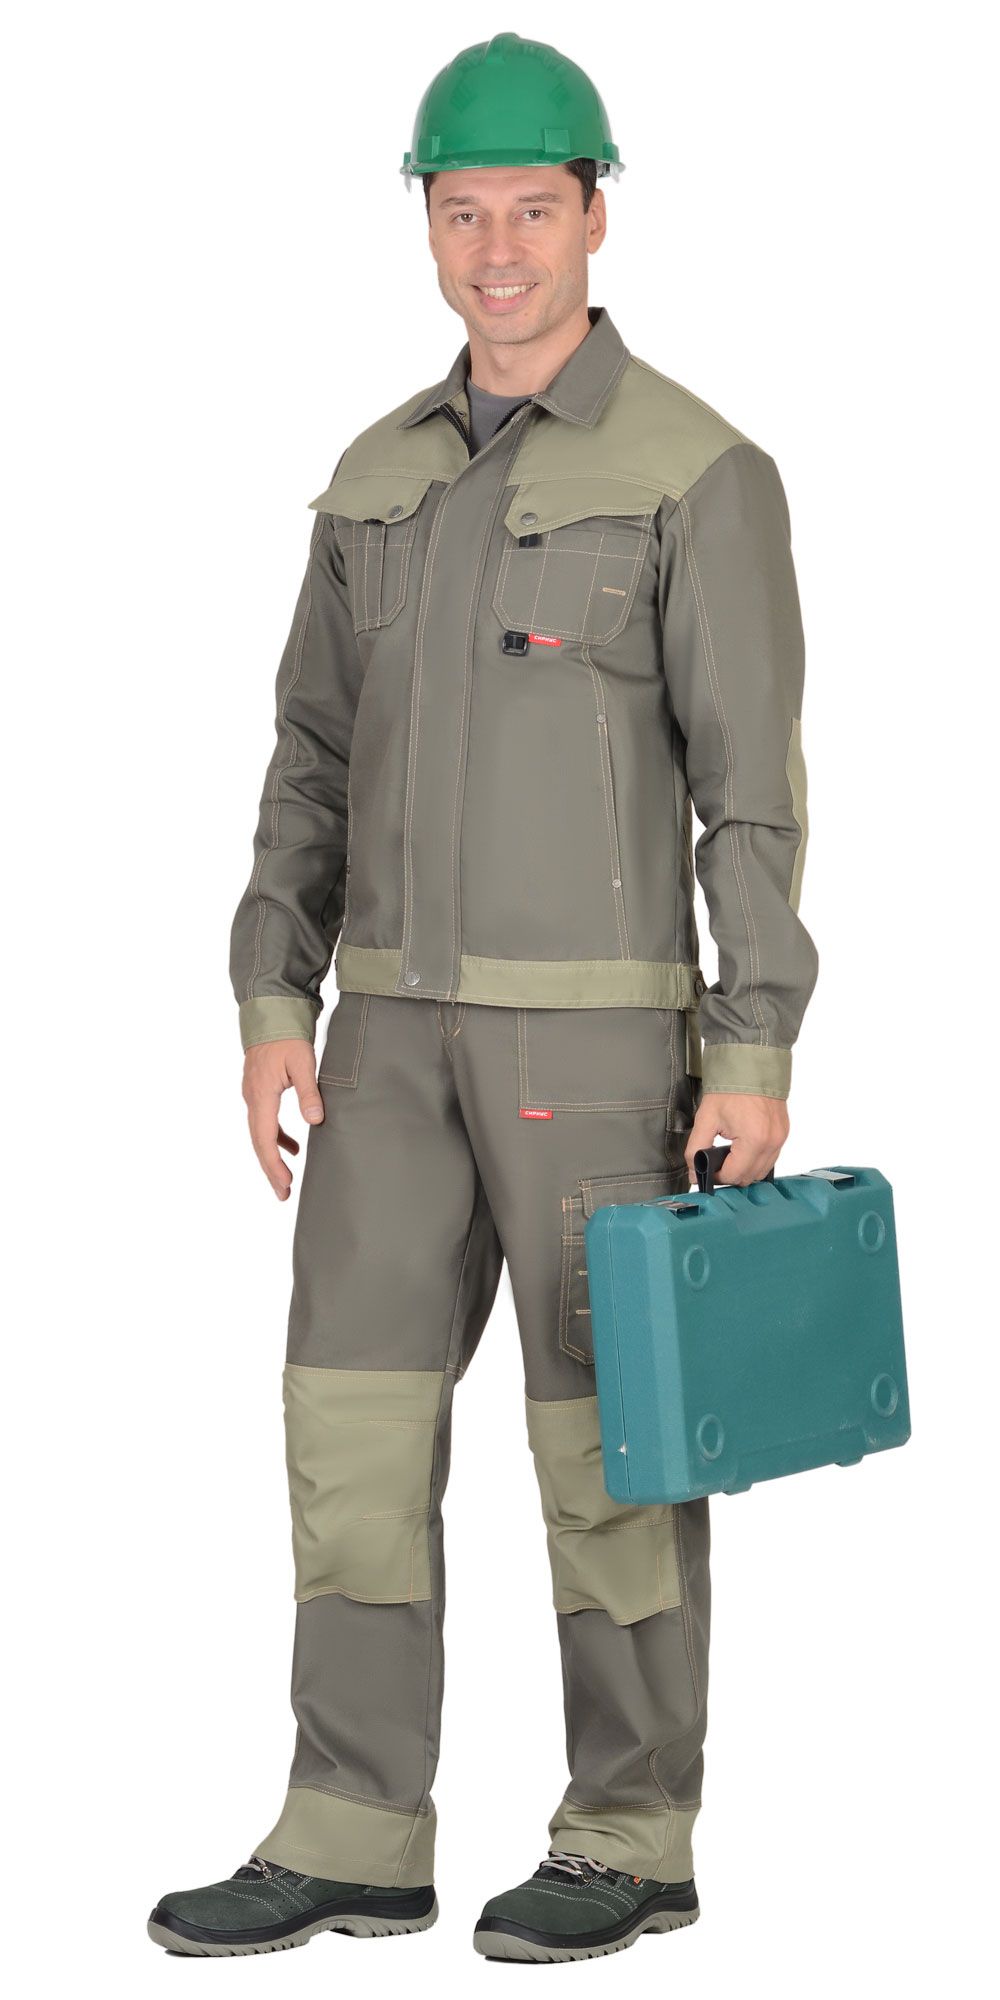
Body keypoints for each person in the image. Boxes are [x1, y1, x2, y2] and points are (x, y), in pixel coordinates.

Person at [147, 30, 818, 1964]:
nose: (498, 248)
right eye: (464, 211)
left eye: (534, 208)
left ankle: (632, 1834)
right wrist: (271, 998)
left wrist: (753, 1042)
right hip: (382, 1045)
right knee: (350, 1430)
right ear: (425, 224)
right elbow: (307, 762)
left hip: (600, 1049)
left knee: (612, 1451)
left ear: (598, 216)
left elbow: (753, 794)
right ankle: (353, 1825)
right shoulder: (375, 477)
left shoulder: (698, 471)